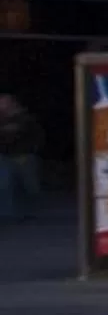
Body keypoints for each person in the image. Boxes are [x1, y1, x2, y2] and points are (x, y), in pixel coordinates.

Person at [0, 93, 37, 222]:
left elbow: (28, 133)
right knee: (5, 185)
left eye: (4, 102)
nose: (2, 105)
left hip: (24, 155)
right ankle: (7, 214)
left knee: (29, 186)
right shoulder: (2, 119)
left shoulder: (24, 117)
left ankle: (28, 212)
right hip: (5, 156)